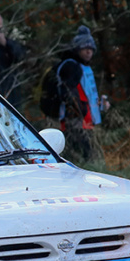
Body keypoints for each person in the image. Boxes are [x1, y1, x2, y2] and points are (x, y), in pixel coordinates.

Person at [54, 25, 109, 161]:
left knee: (88, 155)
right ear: (77, 48)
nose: (88, 52)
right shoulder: (71, 66)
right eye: (85, 48)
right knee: (79, 155)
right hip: (75, 120)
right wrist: (76, 112)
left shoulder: (85, 67)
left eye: (91, 49)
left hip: (87, 119)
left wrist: (101, 105)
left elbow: (89, 93)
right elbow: (68, 93)